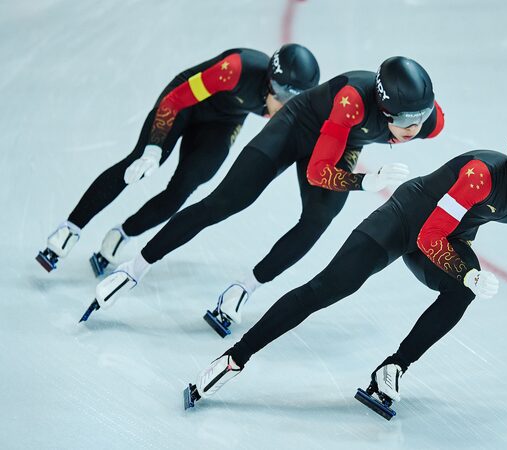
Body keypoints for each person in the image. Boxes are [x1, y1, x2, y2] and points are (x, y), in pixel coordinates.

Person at [185, 130, 507, 415]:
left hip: (446, 234)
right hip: (404, 222)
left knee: (460, 294)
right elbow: (427, 235)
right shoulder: (480, 176)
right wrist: (468, 272)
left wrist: (465, 276)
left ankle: (394, 366)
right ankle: (235, 358)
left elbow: (445, 229)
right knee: (328, 287)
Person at [84, 56, 446, 328]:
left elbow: (412, 128)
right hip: (296, 128)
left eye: (421, 117)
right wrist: (363, 182)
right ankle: (135, 268)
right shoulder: (352, 100)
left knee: (317, 220)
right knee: (224, 203)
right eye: (401, 122)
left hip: (341, 143)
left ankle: (244, 288)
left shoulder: (427, 121)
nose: (412, 129)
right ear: (383, 110)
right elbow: (320, 172)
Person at [36, 44, 321, 276]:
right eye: (283, 98)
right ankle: (70, 228)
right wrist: (153, 148)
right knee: (136, 165)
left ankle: (123, 234)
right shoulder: (235, 70)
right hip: (184, 104)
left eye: (295, 101)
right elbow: (175, 101)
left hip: (222, 123)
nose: (286, 107)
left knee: (184, 188)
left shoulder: (287, 102)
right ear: (271, 83)